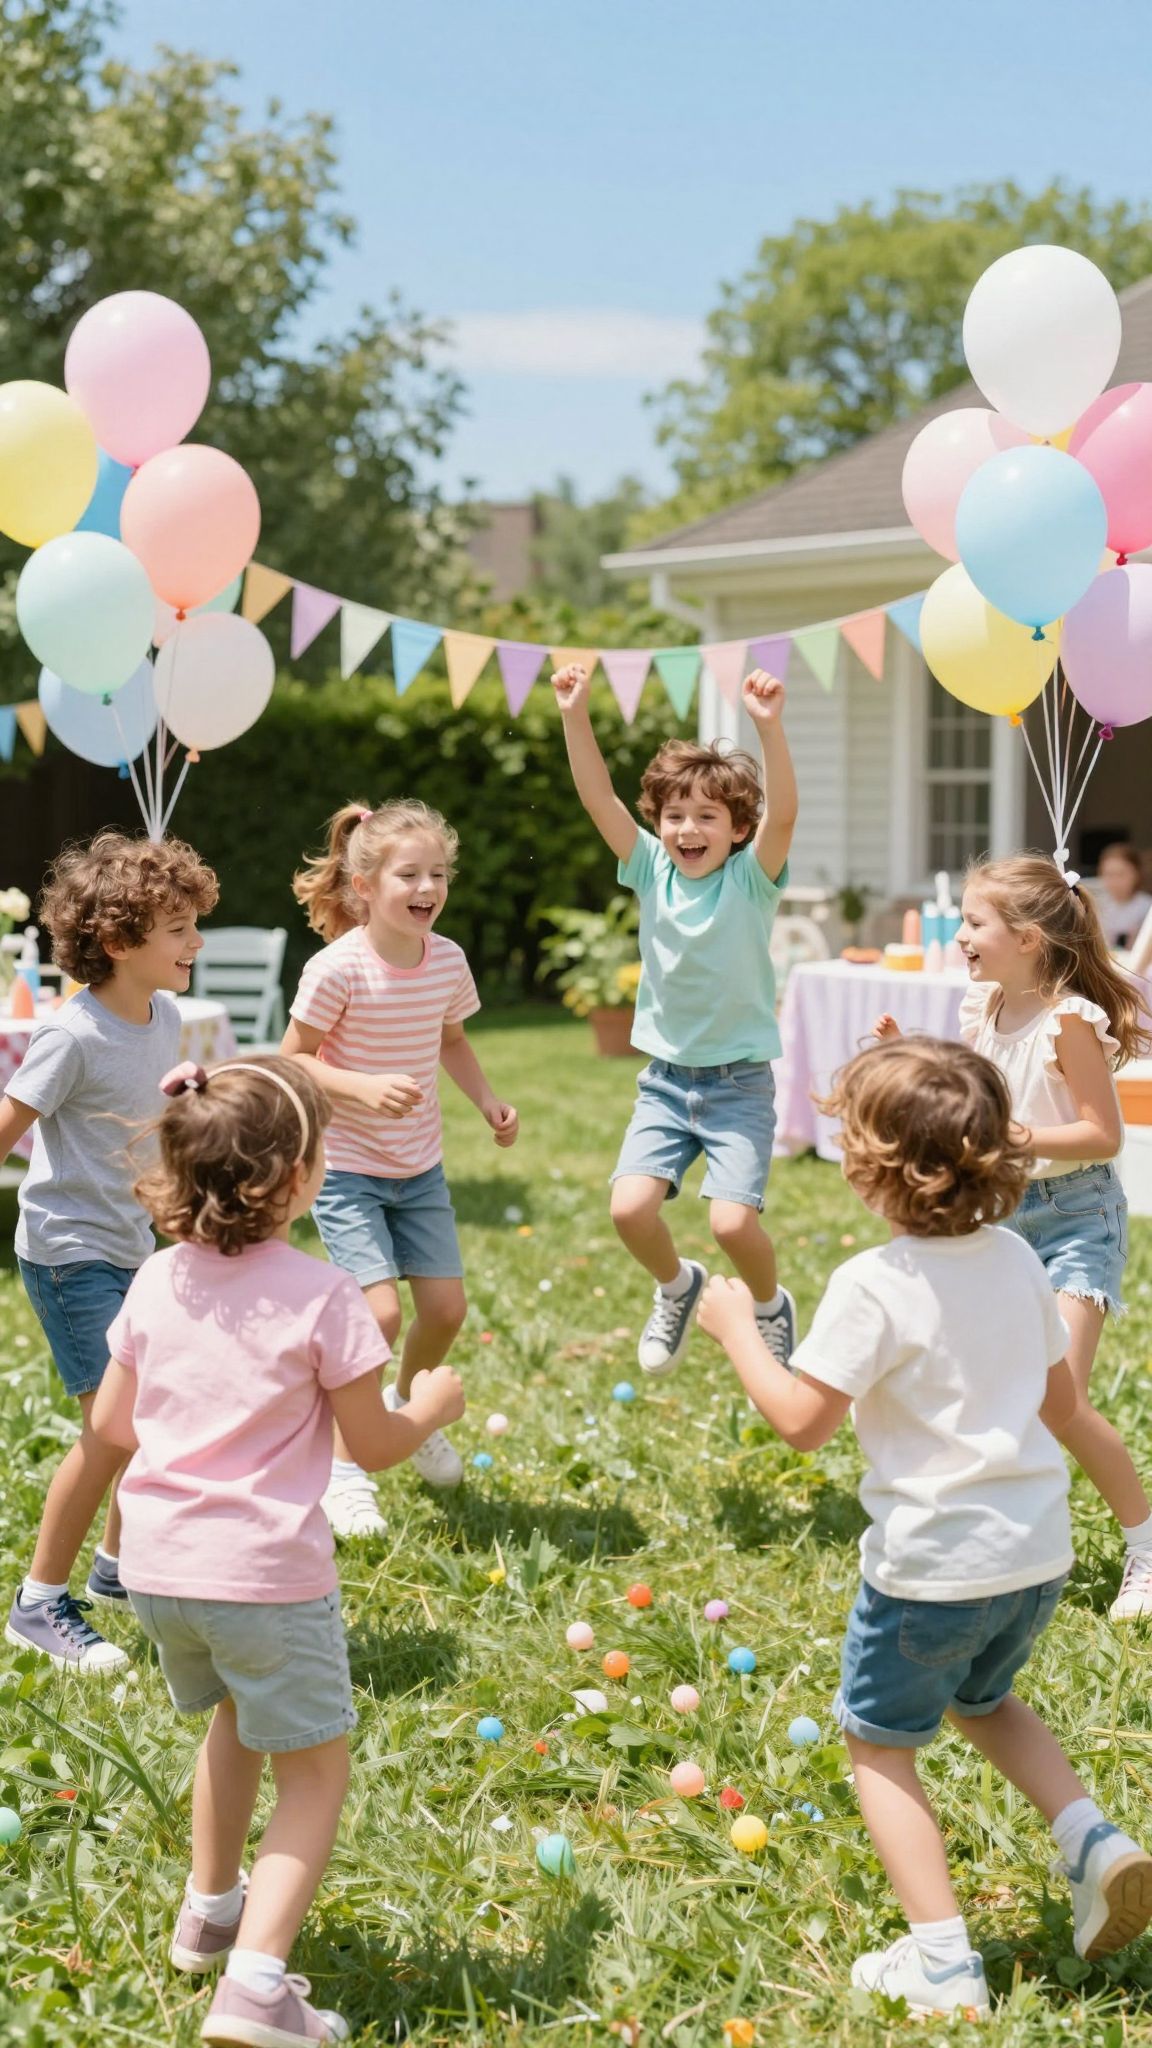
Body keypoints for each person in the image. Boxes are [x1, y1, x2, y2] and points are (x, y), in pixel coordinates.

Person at [699, 1037, 1152, 2018]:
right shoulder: (1022, 1258)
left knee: (880, 1742)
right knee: (986, 1700)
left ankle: (943, 1960)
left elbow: (800, 1423)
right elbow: (1057, 1398)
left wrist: (736, 1326)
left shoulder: (875, 1281)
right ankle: (1095, 1839)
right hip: (1034, 1554)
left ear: (869, 1171)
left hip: (929, 1569)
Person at [91, 1055, 465, 2048]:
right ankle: (258, 1990)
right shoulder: (324, 1293)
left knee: (232, 1719)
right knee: (313, 1772)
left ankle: (211, 1907)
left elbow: (115, 1422)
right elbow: (374, 1447)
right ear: (293, 1179)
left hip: (160, 1570)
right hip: (263, 1573)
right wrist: (431, 1404)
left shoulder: (156, 1277)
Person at [877, 854, 1152, 1623]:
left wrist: (1015, 1131)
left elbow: (1103, 1135)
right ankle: (1005, 1545)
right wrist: (913, 1055)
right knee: (993, 1392)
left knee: (1056, 1398)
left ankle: (1146, 1546)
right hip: (1001, 1219)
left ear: (1029, 938)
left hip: (1074, 1221)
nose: (961, 935)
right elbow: (979, 1087)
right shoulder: (985, 1008)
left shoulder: (1070, 1020)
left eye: (974, 922)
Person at [1, 831, 218, 1672]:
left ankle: (118, 1572)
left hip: (130, 1246)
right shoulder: (72, 1035)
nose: (196, 943)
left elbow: (147, 1122)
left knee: (152, 1411)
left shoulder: (162, 1016)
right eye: (179, 929)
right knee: (111, 1429)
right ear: (122, 943)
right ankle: (37, 1602)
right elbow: (11, 1124)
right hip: (66, 1253)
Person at [552, 662, 797, 1377]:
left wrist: (768, 727)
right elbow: (597, 798)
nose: (688, 829)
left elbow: (785, 814)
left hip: (738, 1083)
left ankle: (769, 1305)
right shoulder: (651, 867)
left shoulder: (751, 878)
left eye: (707, 817)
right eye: (674, 816)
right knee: (629, 1212)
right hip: (665, 1082)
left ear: (738, 829)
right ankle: (677, 1286)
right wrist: (575, 713)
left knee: (732, 1221)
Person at [283, 799, 517, 1536]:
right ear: (364, 886)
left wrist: (487, 1102)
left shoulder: (446, 959)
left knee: (446, 1309)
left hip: (419, 1168)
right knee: (379, 1313)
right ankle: (346, 1469)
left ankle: (411, 1409)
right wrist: (359, 1087)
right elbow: (289, 1059)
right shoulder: (337, 969)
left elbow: (450, 1040)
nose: (427, 887)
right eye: (409, 874)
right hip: (349, 1166)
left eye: (438, 873)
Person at [1093, 843, 1152, 952]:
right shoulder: (1097, 905)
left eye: (1121, 874)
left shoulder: (1147, 907)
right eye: (1109, 874)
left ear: (1136, 873)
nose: (1115, 881)